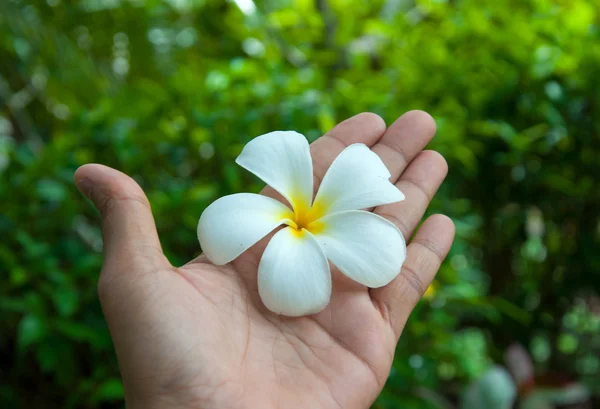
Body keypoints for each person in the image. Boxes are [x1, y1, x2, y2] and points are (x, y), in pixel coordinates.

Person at [74, 111, 455, 409]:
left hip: (312, 222)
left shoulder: (357, 210)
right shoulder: (264, 213)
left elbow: (381, 252)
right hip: (292, 221)